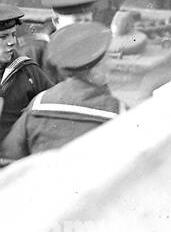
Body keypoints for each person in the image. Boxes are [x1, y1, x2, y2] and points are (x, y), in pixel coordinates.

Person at [1, 22, 120, 161]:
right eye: (109, 59)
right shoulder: (118, 111)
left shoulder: (39, 104)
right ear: (96, 69)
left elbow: (8, 156)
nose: (113, 66)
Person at [0, 5, 51, 139]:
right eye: (3, 37)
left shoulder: (27, 69)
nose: (12, 42)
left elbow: (53, 106)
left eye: (13, 35)